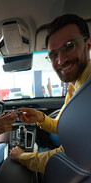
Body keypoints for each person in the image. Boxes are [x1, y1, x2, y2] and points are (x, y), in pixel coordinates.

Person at [10, 14, 91, 174]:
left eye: (69, 46)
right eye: (54, 54)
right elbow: (63, 126)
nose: (61, 60)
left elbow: (68, 157)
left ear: (88, 45)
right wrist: (41, 118)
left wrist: (22, 157)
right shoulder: (75, 86)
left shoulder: (86, 94)